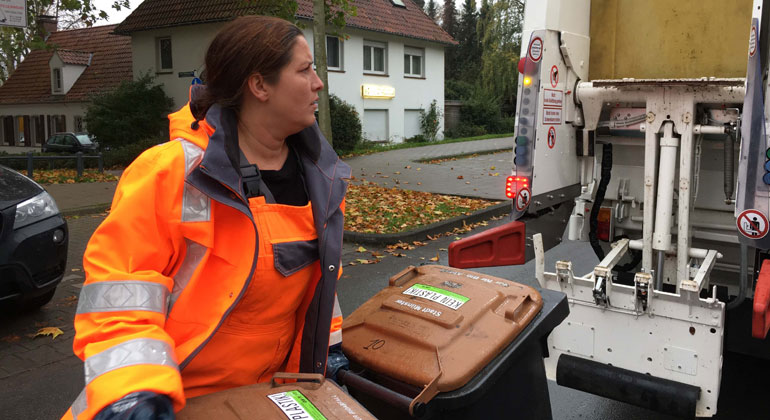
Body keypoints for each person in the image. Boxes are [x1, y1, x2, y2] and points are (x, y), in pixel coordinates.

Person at [62, 15, 350, 420]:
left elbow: (319, 288)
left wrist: (329, 352)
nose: (319, 83)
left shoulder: (322, 177)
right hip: (172, 399)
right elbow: (118, 300)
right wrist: (133, 396)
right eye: (305, 70)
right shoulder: (171, 173)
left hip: (269, 400)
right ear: (259, 85)